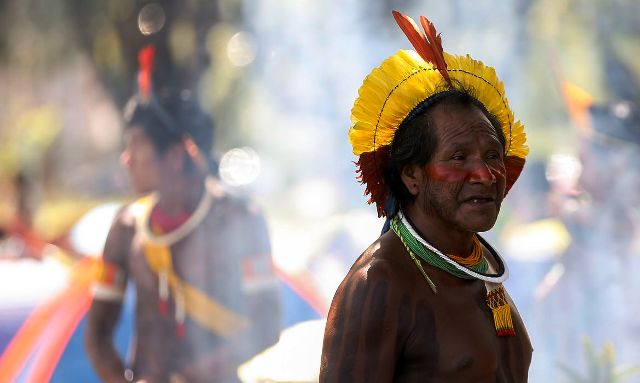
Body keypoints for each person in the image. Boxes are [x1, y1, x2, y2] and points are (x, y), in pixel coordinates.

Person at [320, 11, 532, 382]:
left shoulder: (479, 271)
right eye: (458, 157)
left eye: (493, 155)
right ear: (412, 176)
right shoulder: (379, 284)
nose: (484, 174)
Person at [85, 45, 281, 383]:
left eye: (136, 146)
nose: (126, 159)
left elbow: (265, 326)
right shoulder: (126, 227)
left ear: (175, 156)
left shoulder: (240, 219)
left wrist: (195, 375)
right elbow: (97, 335)